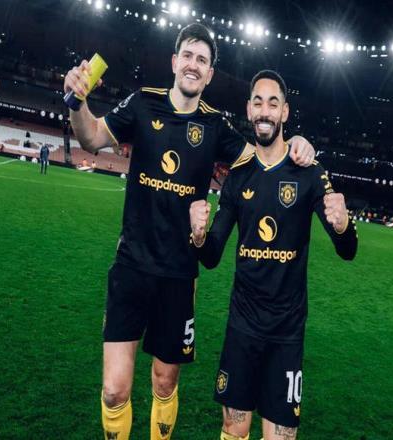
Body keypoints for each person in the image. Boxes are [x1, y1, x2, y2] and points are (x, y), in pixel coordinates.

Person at [63, 24, 316, 440]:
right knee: (114, 390)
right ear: (174, 61)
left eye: (202, 60)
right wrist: (77, 100)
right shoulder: (143, 103)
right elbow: (90, 137)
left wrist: (298, 145)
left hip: (179, 276)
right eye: (188, 56)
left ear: (210, 73)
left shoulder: (215, 125)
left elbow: (265, 158)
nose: (193, 65)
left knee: (164, 383)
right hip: (131, 267)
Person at [189, 70, 358, 440]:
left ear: (285, 112)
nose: (265, 111)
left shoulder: (309, 172)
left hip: (286, 332)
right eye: (258, 102)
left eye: (273, 103)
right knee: (234, 429)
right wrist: (198, 236)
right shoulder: (237, 177)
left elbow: (347, 250)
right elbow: (212, 255)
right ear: (249, 110)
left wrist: (344, 224)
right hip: (242, 326)